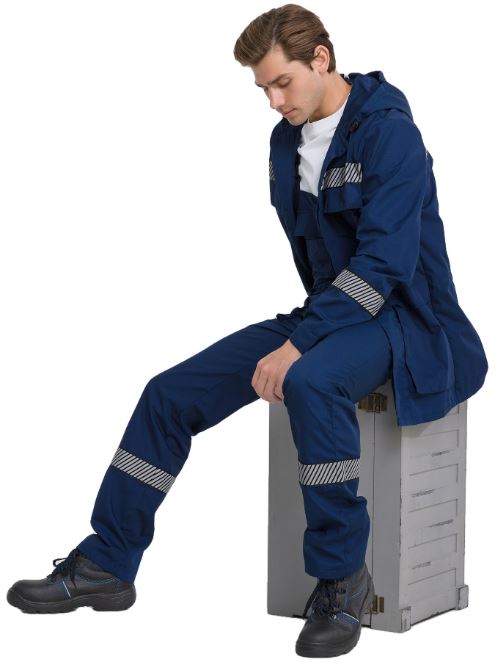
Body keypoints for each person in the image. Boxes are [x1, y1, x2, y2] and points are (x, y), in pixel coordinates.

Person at [6, 3, 488, 659]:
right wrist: (306, 331)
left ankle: (343, 580)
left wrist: (299, 345)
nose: (273, 101)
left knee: (312, 380)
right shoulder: (287, 143)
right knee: (169, 393)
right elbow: (321, 264)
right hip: (334, 312)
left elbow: (383, 267)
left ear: (321, 59)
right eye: (263, 88)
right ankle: (108, 562)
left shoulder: (389, 134)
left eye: (282, 82)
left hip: (405, 319)